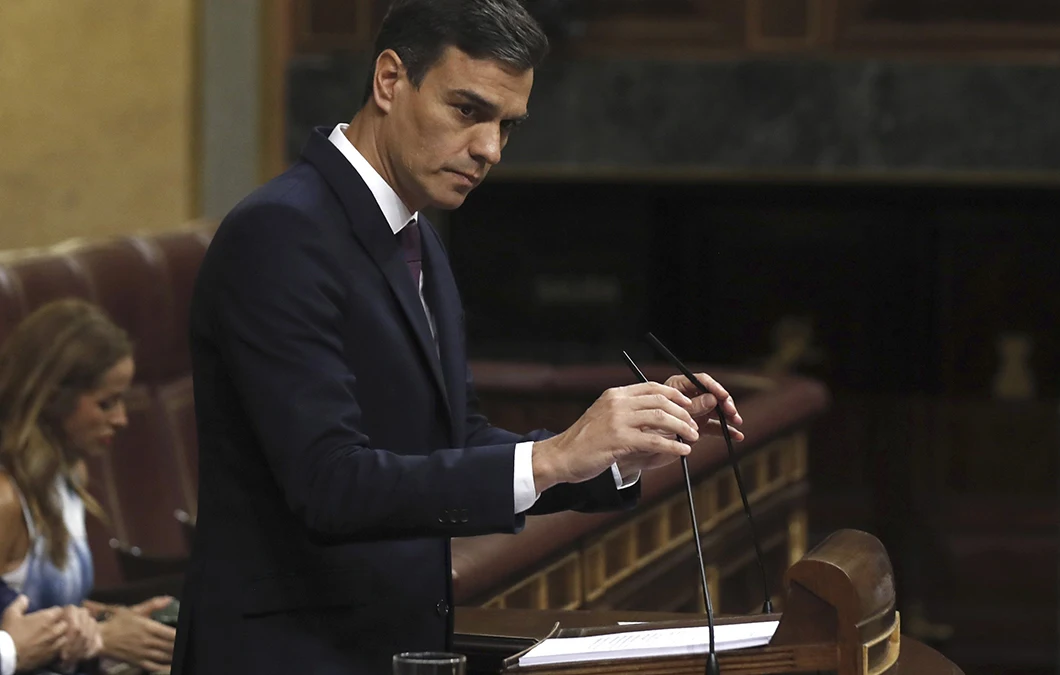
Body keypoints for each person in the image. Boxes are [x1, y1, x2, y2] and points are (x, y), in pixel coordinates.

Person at [173, 1, 744, 673]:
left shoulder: (418, 237)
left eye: (507, 125)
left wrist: (610, 454)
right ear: (390, 81)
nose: (490, 149)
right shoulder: (280, 232)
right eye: (468, 111)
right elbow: (330, 483)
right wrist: (558, 454)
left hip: (388, 648)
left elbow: (456, 441)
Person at [0, 299, 177, 673]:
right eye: (106, 403)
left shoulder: (69, 473)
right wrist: (104, 639)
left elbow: (47, 607)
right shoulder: (5, 502)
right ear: (53, 399)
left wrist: (116, 620)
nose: (122, 419)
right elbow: (14, 637)